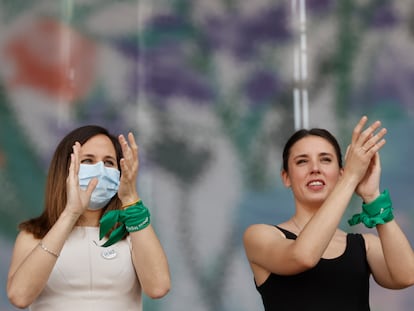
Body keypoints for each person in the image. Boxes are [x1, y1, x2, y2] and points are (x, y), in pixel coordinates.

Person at [243, 116, 414, 310]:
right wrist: (350, 178)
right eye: (302, 161)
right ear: (286, 177)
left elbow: (406, 275)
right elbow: (303, 256)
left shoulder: (364, 245)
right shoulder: (259, 236)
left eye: (325, 160)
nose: (315, 169)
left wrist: (372, 196)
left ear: (339, 172)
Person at [7, 125, 171, 310]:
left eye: (109, 162)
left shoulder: (132, 233)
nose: (100, 169)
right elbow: (19, 296)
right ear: (65, 170)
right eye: (88, 160)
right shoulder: (32, 236)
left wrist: (131, 199)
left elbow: (159, 287)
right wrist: (71, 214)